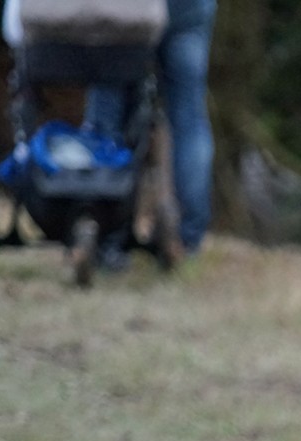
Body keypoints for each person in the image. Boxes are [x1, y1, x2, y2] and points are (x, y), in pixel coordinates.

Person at [83, 0, 217, 257]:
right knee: (188, 118)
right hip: (189, 8)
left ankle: (105, 234)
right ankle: (187, 238)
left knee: (108, 113)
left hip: (126, 9)